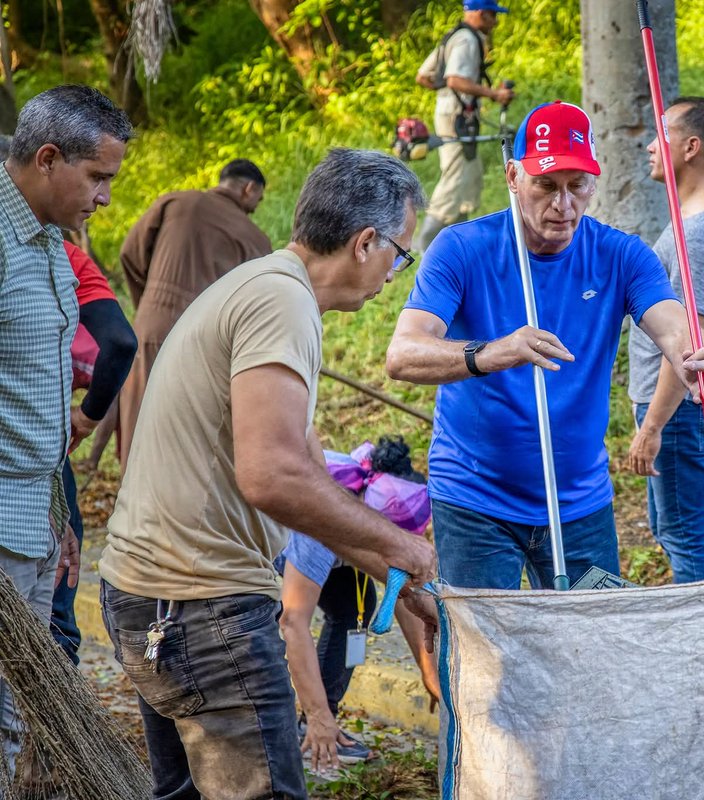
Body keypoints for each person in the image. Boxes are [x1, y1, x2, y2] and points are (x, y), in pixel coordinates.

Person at [98, 149, 437, 800]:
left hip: (157, 599)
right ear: (366, 242)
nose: (397, 272)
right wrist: (402, 541)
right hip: (202, 609)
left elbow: (307, 468)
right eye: (402, 253)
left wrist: (385, 566)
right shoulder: (282, 301)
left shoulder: (265, 288)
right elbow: (271, 475)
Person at [387, 100, 704, 590]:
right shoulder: (462, 248)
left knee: (593, 651)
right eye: (546, 185)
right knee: (484, 658)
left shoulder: (620, 254)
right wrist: (497, 351)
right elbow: (403, 354)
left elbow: (673, 324)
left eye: (577, 185)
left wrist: (692, 352)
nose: (563, 205)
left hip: (579, 501)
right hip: (474, 498)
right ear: (513, 176)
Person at [0, 84, 131, 773]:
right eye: (99, 177)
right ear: (48, 159)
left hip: (36, 515)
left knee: (19, 713)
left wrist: (62, 512)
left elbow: (39, 387)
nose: (105, 196)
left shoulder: (50, 240)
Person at [626, 96, 704, 583]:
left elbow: (691, 346)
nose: (651, 147)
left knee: (684, 532)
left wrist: (652, 426)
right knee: (672, 526)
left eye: (663, 136)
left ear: (692, 147)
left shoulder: (699, 234)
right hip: (687, 403)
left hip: (683, 404)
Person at [278, 438, 439, 772]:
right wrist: (318, 714)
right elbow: (292, 622)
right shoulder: (319, 529)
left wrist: (429, 671)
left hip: (336, 536)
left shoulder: (380, 495)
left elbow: (404, 589)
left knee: (357, 606)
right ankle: (302, 731)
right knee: (266, 625)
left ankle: (316, 725)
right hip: (258, 549)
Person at [117, 158, 272, 469]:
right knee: (189, 437)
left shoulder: (175, 203)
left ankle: (131, 509)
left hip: (152, 329)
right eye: (259, 198)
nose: (256, 206)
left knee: (139, 423)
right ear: (249, 188)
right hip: (207, 344)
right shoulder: (256, 240)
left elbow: (129, 254)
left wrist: (149, 306)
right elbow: (255, 307)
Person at [50, 241, 138, 664]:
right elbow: (119, 343)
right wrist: (84, 420)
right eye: (95, 178)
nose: (100, 197)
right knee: (53, 617)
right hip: (46, 456)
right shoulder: (64, 253)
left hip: (32, 451)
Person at [414, 0, 515, 251]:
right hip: (456, 118)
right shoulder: (468, 40)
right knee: (455, 176)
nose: (495, 21)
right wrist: (492, 94)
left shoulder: (454, 35)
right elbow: (455, 79)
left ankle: (459, 240)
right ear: (481, 13)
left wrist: (449, 94)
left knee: (469, 175)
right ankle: (423, 244)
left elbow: (424, 76)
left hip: (456, 114)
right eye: (493, 15)